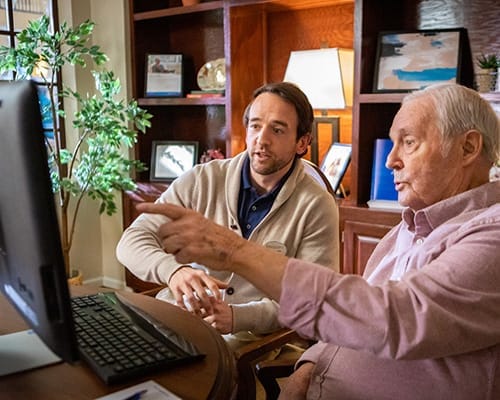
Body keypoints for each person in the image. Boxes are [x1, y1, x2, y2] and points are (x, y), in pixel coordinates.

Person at [134, 83, 500, 399]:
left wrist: (234, 252)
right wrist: (310, 365)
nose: (389, 162)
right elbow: (350, 314)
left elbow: (397, 317)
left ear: (468, 149)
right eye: (255, 125)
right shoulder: (405, 229)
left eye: (408, 143)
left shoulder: (490, 236)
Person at [116, 82, 339, 348]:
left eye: (277, 130)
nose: (261, 140)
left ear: (302, 142)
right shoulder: (202, 179)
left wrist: (238, 317)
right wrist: (174, 272)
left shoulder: (317, 205)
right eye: (255, 126)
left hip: (244, 342)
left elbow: (313, 300)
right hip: (175, 319)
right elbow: (131, 242)